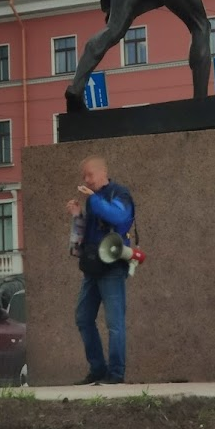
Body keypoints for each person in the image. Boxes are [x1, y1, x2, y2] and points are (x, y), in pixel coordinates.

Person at [66, 156, 135, 385]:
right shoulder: (93, 200)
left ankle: (115, 373)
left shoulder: (119, 193)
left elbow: (119, 217)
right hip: (93, 265)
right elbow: (91, 231)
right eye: (84, 176)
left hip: (112, 266)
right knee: (83, 317)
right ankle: (97, 369)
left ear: (102, 173)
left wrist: (93, 201)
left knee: (114, 323)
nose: (86, 180)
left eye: (89, 175)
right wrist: (78, 215)